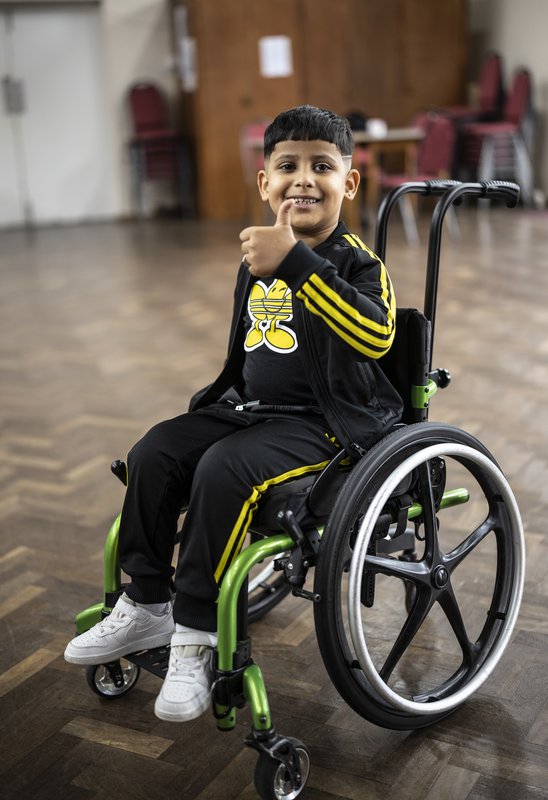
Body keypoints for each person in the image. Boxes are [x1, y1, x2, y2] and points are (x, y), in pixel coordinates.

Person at [64, 104, 403, 722]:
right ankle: (145, 605)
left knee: (224, 468)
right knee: (156, 450)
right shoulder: (256, 261)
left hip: (327, 425)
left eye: (321, 167)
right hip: (251, 410)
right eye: (287, 166)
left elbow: (374, 336)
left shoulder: (359, 264)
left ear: (348, 184)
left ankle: (195, 636)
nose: (303, 179)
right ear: (263, 182)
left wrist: (298, 264)